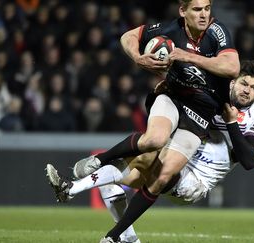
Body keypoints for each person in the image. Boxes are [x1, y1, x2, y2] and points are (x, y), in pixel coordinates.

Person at [70, 0, 239, 240]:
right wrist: (138, 57)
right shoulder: (170, 29)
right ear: (183, 11)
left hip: (199, 116)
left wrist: (190, 57)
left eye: (207, 8)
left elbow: (233, 67)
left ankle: (116, 233)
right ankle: (99, 161)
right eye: (197, 9)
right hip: (172, 97)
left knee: (163, 176)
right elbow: (128, 36)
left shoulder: (216, 31)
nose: (204, 15)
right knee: (154, 140)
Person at [46, 60, 254, 243]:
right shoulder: (212, 95)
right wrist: (161, 93)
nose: (247, 90)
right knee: (117, 177)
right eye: (244, 83)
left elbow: (249, 161)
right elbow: (169, 111)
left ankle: (110, 232)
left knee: (151, 155)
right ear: (233, 81)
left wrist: (231, 123)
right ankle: (79, 196)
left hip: (195, 182)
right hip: (176, 154)